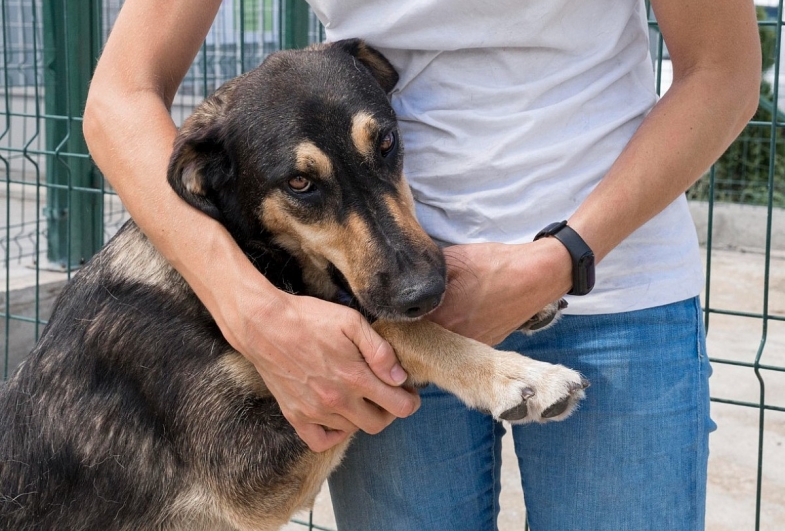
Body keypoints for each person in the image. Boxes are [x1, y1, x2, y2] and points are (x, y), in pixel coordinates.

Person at [83, 0, 760, 529]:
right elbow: (119, 96)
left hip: (612, 289)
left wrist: (562, 258)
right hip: (381, 327)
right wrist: (253, 311)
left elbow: (722, 73)